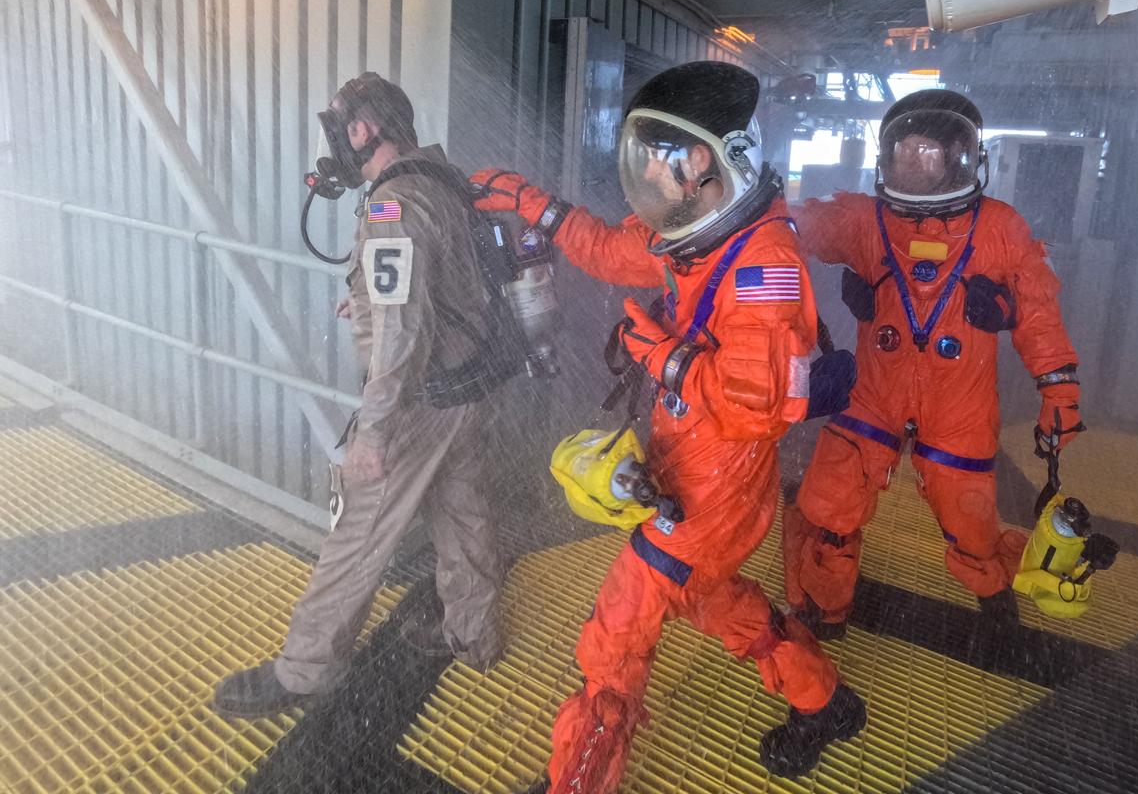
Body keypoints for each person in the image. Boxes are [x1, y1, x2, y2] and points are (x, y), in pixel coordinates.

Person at [472, 61, 865, 794]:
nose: (653, 174)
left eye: (668, 157)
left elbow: (756, 406)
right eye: (646, 156)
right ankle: (824, 700)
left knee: (618, 631)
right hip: (691, 463)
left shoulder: (763, 263)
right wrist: (536, 207)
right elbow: (611, 249)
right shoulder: (692, 233)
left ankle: (576, 781)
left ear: (721, 160)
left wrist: (665, 356)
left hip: (719, 481)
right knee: (710, 598)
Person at [213, 72, 504, 718]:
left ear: (363, 129)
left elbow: (402, 327)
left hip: (417, 401)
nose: (337, 146)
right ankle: (473, 632)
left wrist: (373, 432)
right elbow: (435, 280)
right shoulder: (442, 180)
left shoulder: (392, 204)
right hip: (467, 385)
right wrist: (367, 297)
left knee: (357, 532)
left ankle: (305, 669)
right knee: (463, 511)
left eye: (340, 130)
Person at [783, 89, 1082, 637]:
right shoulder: (865, 221)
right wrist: (746, 218)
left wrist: (1057, 392)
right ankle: (821, 614)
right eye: (905, 153)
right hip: (874, 395)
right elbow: (791, 228)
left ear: (960, 158)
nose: (915, 165)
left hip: (959, 407)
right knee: (828, 506)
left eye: (928, 154)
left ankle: (998, 609)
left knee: (972, 527)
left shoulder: (998, 229)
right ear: (887, 158)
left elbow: (1039, 316)